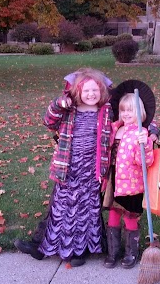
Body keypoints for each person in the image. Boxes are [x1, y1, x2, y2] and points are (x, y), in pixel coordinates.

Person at [15, 68, 113, 266]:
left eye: (95, 90)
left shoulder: (108, 110)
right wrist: (58, 104)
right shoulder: (69, 110)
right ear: (77, 92)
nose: (91, 94)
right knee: (60, 208)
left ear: (102, 91)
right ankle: (41, 246)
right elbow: (48, 121)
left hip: (92, 171)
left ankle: (81, 251)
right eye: (86, 91)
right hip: (68, 168)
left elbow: (139, 118)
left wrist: (152, 132)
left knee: (87, 210)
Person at [103, 93, 155, 269]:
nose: (125, 113)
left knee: (129, 217)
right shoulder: (116, 129)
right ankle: (112, 252)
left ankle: (131, 253)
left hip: (132, 184)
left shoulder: (140, 133)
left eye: (130, 110)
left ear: (140, 112)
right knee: (112, 215)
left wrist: (146, 145)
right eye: (123, 110)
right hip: (114, 180)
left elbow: (145, 162)